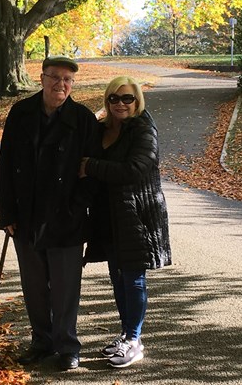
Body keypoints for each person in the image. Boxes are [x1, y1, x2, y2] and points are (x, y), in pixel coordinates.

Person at [0, 56, 100, 370]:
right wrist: (7, 214)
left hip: (66, 218)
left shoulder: (82, 119)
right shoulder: (20, 112)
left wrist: (77, 205)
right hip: (26, 217)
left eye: (68, 79)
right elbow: (5, 164)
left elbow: (92, 172)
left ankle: (67, 345)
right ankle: (42, 340)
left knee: (66, 287)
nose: (61, 84)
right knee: (35, 286)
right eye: (55, 77)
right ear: (41, 79)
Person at [79, 75, 171, 369]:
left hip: (136, 216)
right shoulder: (102, 129)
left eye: (127, 98)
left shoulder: (144, 129)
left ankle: (134, 340)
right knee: (118, 277)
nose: (120, 104)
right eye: (114, 98)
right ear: (107, 101)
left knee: (133, 278)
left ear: (137, 101)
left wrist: (90, 166)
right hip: (107, 217)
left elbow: (135, 169)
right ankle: (126, 335)